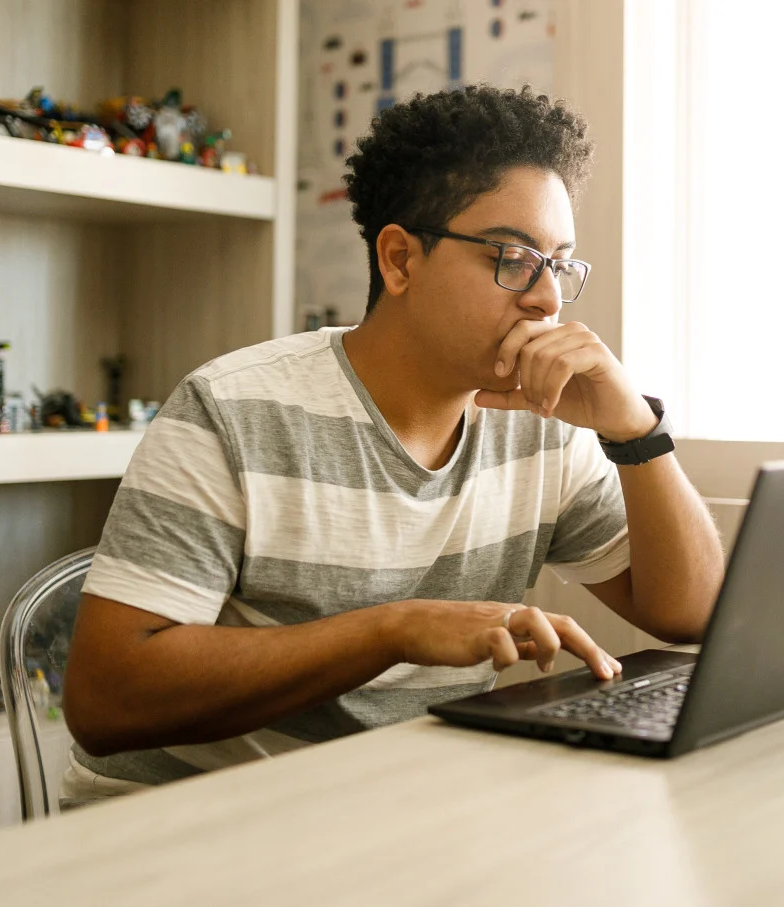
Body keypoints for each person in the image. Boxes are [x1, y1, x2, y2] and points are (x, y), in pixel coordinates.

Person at [61, 85, 725, 803]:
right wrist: (395, 630)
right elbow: (106, 701)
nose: (547, 300)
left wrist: (636, 434)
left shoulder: (542, 426)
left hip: (400, 810)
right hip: (193, 829)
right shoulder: (233, 410)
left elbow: (687, 612)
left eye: (558, 263)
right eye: (513, 257)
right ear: (400, 260)